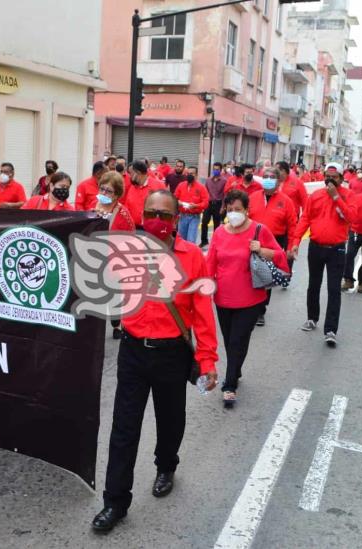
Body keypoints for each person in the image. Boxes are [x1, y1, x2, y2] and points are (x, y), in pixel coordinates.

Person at [92, 190, 219, 533]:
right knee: (123, 429)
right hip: (133, 351)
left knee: (171, 418)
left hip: (172, 354)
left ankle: (166, 465)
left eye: (165, 215)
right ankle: (115, 502)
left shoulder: (193, 257)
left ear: (176, 219)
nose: (157, 221)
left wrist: (207, 361)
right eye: (151, 213)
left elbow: (204, 315)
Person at [207, 189, 287, 407]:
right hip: (223, 298)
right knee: (231, 342)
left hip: (251, 299)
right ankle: (236, 368)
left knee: (236, 340)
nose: (234, 214)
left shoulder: (259, 230)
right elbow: (210, 264)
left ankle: (229, 385)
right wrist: (205, 286)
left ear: (247, 210)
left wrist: (262, 250)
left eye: (238, 210)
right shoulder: (220, 233)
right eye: (230, 209)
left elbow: (280, 257)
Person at [290, 162, 355, 347]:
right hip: (316, 246)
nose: (330, 180)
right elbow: (305, 219)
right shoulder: (316, 196)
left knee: (334, 289)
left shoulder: (349, 196)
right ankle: (312, 318)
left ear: (341, 179)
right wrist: (296, 242)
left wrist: (336, 197)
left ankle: (331, 330)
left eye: (334, 177)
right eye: (327, 176)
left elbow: (351, 217)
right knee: (314, 285)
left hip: (337, 249)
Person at [248, 167, 297, 326]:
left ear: (278, 181)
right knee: (249, 275)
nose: (268, 179)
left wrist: (291, 247)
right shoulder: (252, 197)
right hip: (252, 240)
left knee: (265, 275)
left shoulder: (286, 201)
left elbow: (292, 226)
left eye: (272, 177)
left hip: (273, 243)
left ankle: (261, 311)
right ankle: (248, 306)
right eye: (265, 176)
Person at [93, 171, 136, 340]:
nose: (103, 193)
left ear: (117, 195)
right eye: (102, 189)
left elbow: (130, 238)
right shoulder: (92, 206)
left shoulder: (123, 214)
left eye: (108, 191)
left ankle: (116, 323)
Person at [120, 159, 166, 228]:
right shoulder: (132, 187)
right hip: (134, 228)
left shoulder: (158, 185)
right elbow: (127, 207)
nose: (129, 176)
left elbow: (165, 207)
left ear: (138, 173)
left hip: (152, 228)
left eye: (131, 173)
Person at [174, 166, 209, 244]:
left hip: (194, 217)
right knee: (181, 240)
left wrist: (196, 205)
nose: (189, 175)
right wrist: (178, 202)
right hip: (182, 216)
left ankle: (190, 255)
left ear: (196, 175)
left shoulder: (201, 188)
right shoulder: (181, 185)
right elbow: (174, 197)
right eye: (188, 173)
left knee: (190, 240)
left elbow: (206, 203)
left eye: (192, 173)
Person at [200, 162, 227, 248]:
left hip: (218, 204)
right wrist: (203, 204)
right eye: (214, 169)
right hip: (209, 204)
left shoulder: (224, 181)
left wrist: (223, 207)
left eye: (217, 169)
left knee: (217, 225)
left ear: (221, 170)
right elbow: (205, 193)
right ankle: (204, 241)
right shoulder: (208, 180)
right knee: (204, 222)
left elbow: (225, 195)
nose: (216, 171)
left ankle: (215, 243)